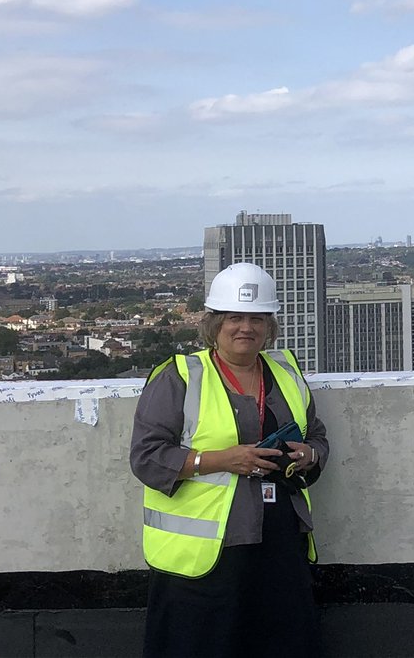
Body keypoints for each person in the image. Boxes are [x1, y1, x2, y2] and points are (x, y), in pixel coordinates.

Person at [130, 262, 328, 658]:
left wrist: (309, 454)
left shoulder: (286, 372)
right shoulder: (181, 377)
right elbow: (147, 458)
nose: (246, 328)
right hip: (208, 556)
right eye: (234, 318)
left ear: (269, 326)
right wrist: (222, 460)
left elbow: (318, 437)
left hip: (278, 543)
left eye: (257, 318)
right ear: (214, 324)